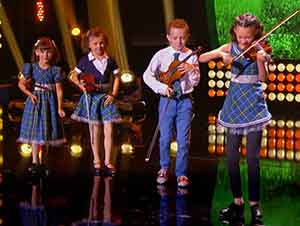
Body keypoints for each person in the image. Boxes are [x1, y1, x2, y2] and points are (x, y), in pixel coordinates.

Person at [198, 13, 272, 226]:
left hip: (254, 105)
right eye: (240, 37)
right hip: (234, 105)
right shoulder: (230, 47)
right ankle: (237, 202)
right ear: (235, 34)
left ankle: (255, 205)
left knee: (252, 160)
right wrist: (222, 56)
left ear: (255, 34)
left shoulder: (260, 49)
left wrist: (260, 60)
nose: (243, 41)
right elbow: (202, 58)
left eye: (248, 37)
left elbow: (263, 78)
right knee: (231, 158)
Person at [143, 19, 200, 188]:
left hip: (185, 102)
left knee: (183, 140)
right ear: (168, 37)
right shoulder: (161, 55)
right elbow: (147, 76)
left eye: (182, 38)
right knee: (165, 137)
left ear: (187, 37)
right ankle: (164, 167)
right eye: (175, 38)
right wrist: (161, 87)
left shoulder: (192, 56)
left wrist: (192, 71)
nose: (179, 42)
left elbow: (195, 83)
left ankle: (181, 173)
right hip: (166, 100)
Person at [69, 27, 121, 176]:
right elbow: (73, 75)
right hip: (91, 97)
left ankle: (108, 161)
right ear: (89, 45)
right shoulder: (85, 60)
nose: (99, 46)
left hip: (106, 97)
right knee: (95, 129)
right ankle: (97, 160)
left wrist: (113, 94)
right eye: (95, 43)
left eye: (102, 43)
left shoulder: (110, 60)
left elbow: (117, 77)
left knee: (109, 129)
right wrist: (81, 86)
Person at [17, 37, 66, 176]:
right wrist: (29, 94)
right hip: (35, 102)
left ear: (53, 53)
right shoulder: (31, 68)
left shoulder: (55, 70)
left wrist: (60, 107)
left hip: (49, 103)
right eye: (42, 51)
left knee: (46, 133)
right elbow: (21, 84)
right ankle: (34, 162)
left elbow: (59, 90)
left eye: (48, 52)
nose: (45, 55)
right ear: (37, 52)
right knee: (34, 133)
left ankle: (43, 162)